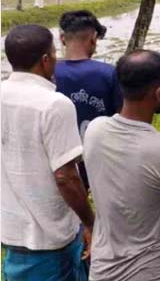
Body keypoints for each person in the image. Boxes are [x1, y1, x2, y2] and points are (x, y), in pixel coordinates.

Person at [82, 50, 160, 281]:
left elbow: (134, 160)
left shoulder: (95, 130)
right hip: (154, 273)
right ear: (159, 93)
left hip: (102, 272)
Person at [2, 25, 95, 281]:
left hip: (12, 233)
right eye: (54, 52)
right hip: (51, 240)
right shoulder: (55, 105)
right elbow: (65, 176)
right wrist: (90, 222)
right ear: (45, 60)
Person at [55, 10, 122, 190]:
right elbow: (121, 117)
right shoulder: (109, 73)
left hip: (59, 159)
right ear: (93, 38)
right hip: (101, 158)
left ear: (62, 38)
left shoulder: (48, 73)